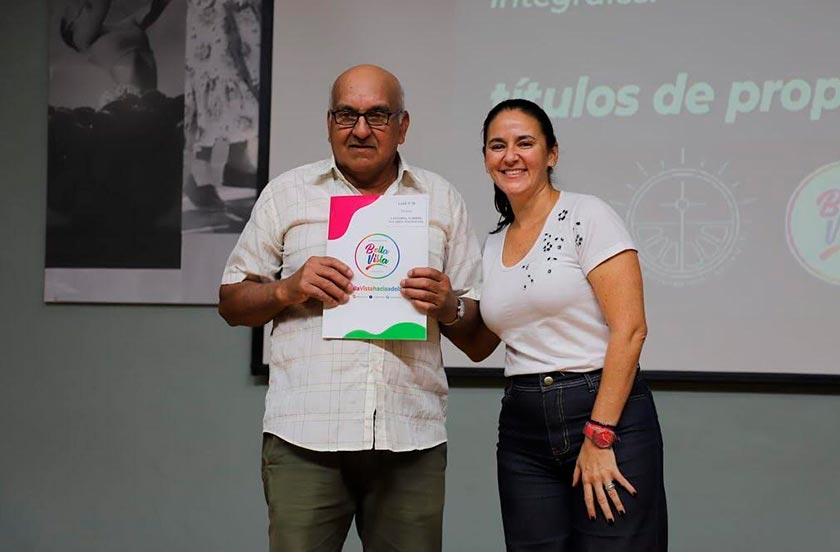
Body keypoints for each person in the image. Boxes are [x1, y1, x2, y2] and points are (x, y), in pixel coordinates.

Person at [218, 65, 482, 552]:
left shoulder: (442, 200)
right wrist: (287, 289)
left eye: (377, 116)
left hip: (410, 438)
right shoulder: (287, 194)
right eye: (347, 115)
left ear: (403, 125)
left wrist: (449, 306)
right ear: (329, 122)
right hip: (305, 437)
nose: (361, 129)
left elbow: (479, 337)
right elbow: (231, 302)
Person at [455, 99, 668, 551]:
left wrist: (600, 434)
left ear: (551, 153)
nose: (510, 156)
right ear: (486, 159)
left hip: (604, 416)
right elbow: (479, 345)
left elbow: (631, 330)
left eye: (525, 143)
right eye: (497, 146)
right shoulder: (492, 245)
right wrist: (442, 306)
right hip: (523, 430)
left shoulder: (587, 216)